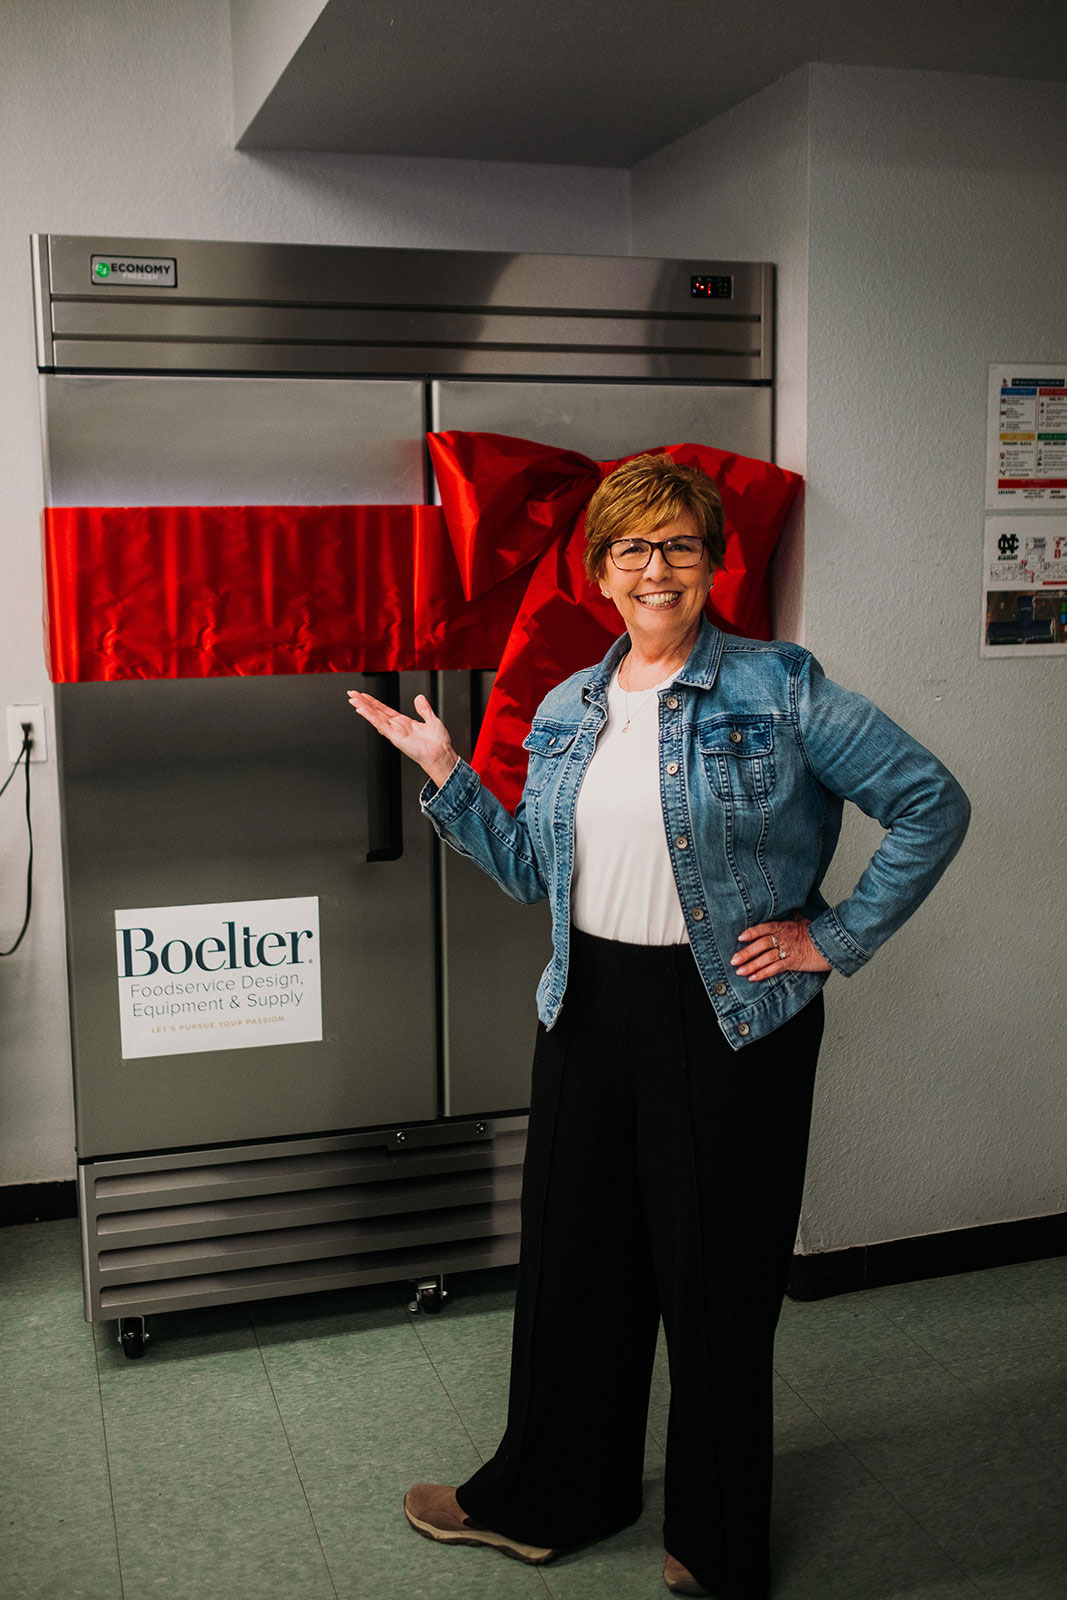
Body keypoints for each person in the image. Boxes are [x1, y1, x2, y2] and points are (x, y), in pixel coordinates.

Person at [347, 454, 970, 1600]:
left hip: (726, 1016)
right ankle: (546, 1499)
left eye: (677, 544)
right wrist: (445, 773)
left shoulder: (778, 688)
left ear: (711, 559)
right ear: (597, 571)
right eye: (630, 548)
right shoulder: (570, 704)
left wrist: (830, 939)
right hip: (586, 1009)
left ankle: (716, 1543)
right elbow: (535, 870)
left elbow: (931, 801)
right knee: (576, 1270)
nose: (654, 567)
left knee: (714, 1285)